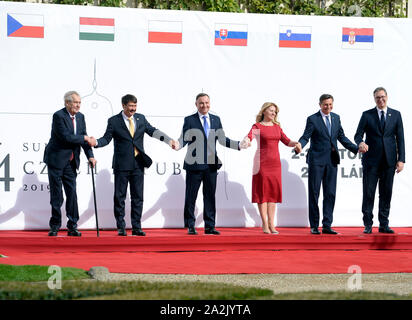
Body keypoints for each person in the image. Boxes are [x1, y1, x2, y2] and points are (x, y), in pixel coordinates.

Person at [88, 94, 176, 236]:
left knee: (138, 197)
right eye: (130, 106)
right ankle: (121, 227)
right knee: (119, 196)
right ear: (123, 106)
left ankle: (137, 227)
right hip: (122, 164)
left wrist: (168, 140)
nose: (133, 109)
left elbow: (152, 131)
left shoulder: (140, 118)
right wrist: (96, 142)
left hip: (138, 163)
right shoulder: (114, 121)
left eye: (135, 106)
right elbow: (106, 139)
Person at [175, 93, 242, 235]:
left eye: (206, 102)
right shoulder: (189, 120)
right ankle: (190, 225)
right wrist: (177, 145)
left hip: (211, 165)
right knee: (191, 196)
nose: (204, 105)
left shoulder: (216, 120)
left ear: (210, 103)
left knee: (210, 196)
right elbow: (184, 139)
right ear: (196, 104)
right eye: (201, 103)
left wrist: (239, 145)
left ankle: (210, 226)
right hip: (194, 165)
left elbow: (223, 140)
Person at [295, 94, 358, 235]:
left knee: (330, 194)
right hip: (316, 161)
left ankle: (327, 225)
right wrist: (300, 145)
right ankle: (314, 226)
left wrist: (356, 148)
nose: (328, 107)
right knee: (314, 193)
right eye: (325, 104)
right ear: (320, 104)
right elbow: (306, 136)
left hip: (332, 161)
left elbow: (341, 137)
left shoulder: (336, 118)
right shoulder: (312, 119)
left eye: (330, 104)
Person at [240, 102, 299, 234]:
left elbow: (287, 141)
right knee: (262, 193)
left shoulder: (277, 127)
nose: (273, 113)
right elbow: (249, 136)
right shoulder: (257, 126)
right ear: (264, 111)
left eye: (275, 112)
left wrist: (296, 143)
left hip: (275, 165)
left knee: (272, 194)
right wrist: (246, 141)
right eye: (271, 111)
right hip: (261, 163)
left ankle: (272, 224)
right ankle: (265, 224)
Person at [44, 91, 96, 237]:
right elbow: (66, 137)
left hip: (71, 161)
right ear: (67, 103)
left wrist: (90, 156)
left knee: (72, 194)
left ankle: (72, 226)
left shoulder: (81, 117)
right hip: (56, 159)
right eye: (75, 102)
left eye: (80, 102)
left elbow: (83, 139)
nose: (78, 105)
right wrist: (85, 138)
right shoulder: (58, 116)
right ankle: (54, 225)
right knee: (57, 194)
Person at [354, 87, 405, 234]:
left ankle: (384, 224)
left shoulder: (396, 115)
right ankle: (368, 224)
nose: (380, 100)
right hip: (371, 161)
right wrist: (360, 143)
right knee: (368, 193)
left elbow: (400, 138)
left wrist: (401, 159)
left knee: (386, 193)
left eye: (382, 97)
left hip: (389, 161)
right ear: (374, 99)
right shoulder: (367, 115)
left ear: (387, 97)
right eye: (377, 98)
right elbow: (358, 135)